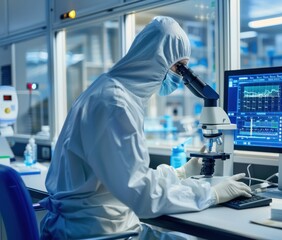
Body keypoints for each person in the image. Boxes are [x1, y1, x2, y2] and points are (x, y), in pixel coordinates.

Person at [40, 16, 251, 239]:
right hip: (99, 232)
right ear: (156, 59)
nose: (181, 77)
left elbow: (129, 177)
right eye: (180, 67)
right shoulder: (116, 105)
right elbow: (143, 197)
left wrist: (180, 173)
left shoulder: (108, 90)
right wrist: (210, 193)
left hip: (94, 224)